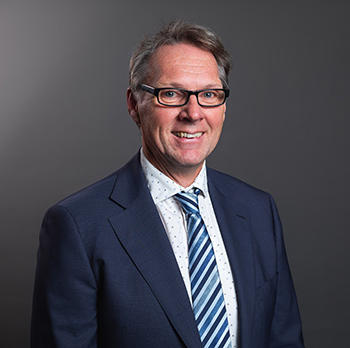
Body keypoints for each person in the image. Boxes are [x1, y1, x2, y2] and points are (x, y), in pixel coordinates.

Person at [31, 21, 304, 348]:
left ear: (223, 105)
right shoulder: (77, 226)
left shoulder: (259, 211)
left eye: (208, 94)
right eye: (171, 94)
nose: (193, 113)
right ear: (134, 105)